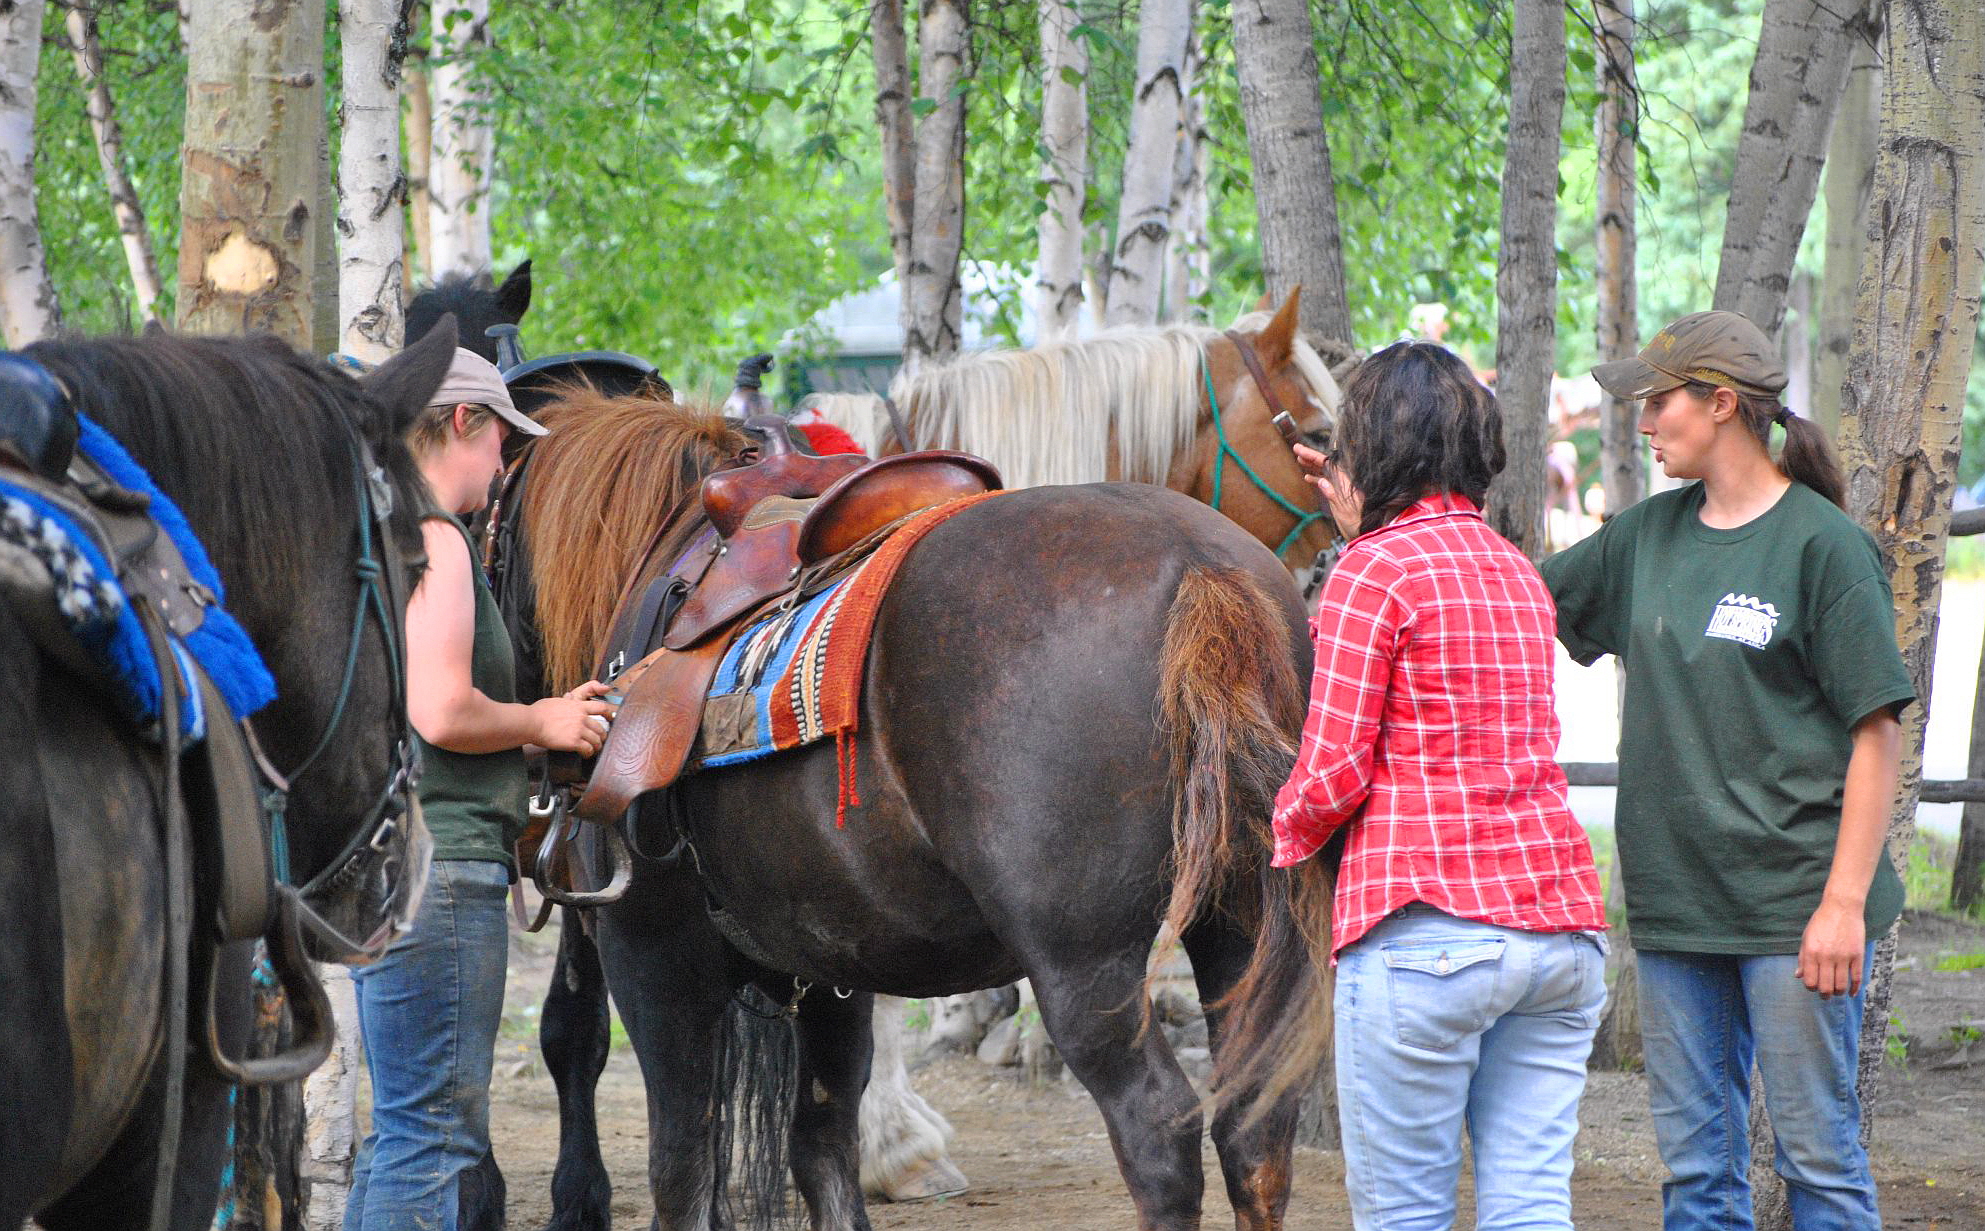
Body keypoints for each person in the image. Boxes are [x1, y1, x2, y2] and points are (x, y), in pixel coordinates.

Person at [1542, 310, 1910, 1231]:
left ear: (1721, 404)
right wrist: (1387, 527)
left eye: (1656, 401)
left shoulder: (1821, 546)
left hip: (1794, 908)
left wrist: (1841, 905)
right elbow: (1513, 598)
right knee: (1697, 1177)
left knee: (1818, 1161)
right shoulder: (1643, 537)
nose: (1640, 419)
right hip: (1675, 910)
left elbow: (1876, 734)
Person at [1278, 341, 1609, 1230]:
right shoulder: (1515, 572)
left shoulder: (1369, 572)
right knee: (1531, 1204)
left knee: (1404, 1216)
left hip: (1423, 938)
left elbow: (1332, 770)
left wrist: (1276, 839)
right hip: (1559, 932)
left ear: (1367, 448)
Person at [346, 348, 617, 1231]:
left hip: (394, 867)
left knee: (400, 1135)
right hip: (445, 870)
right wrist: (540, 721)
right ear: (461, 421)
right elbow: (442, 708)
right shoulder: (435, 536)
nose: (503, 468)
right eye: (500, 440)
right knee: (434, 1143)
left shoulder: (374, 527)